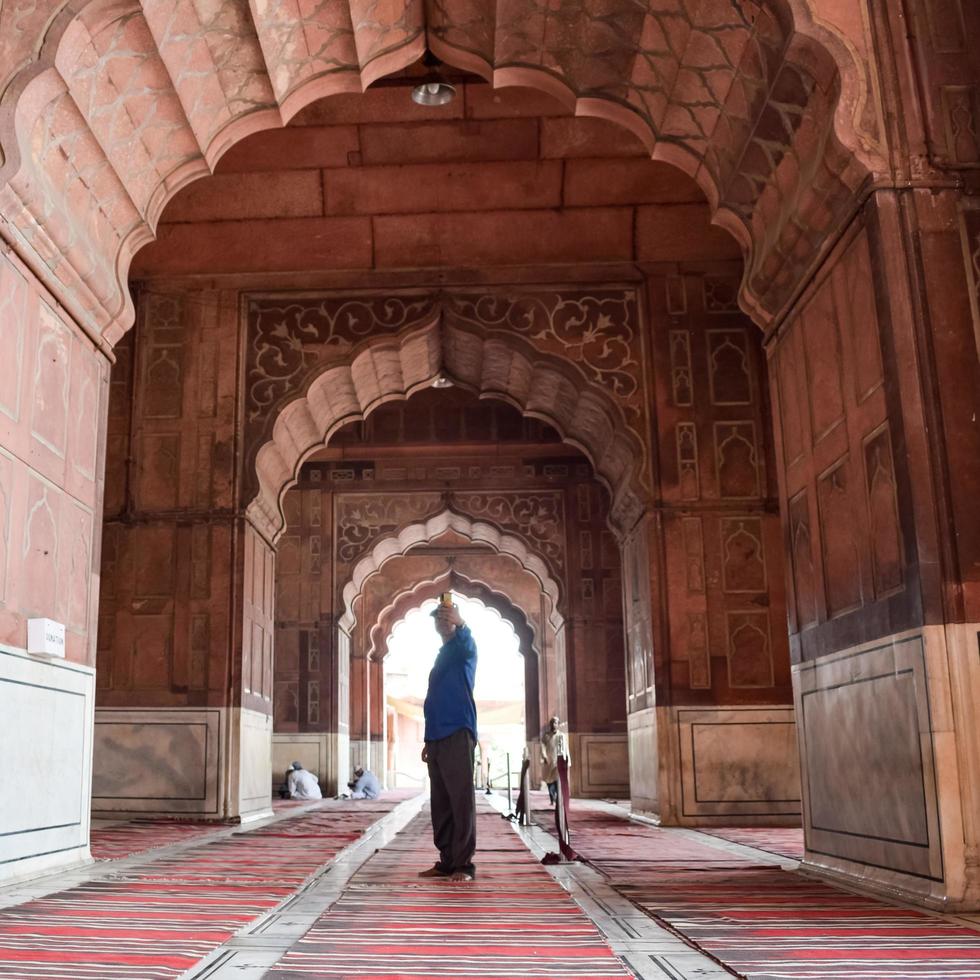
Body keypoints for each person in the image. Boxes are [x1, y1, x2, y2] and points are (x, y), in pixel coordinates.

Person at [419, 596, 478, 883]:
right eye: (439, 620)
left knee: (460, 800)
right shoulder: (441, 656)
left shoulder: (463, 652)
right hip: (438, 737)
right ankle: (446, 860)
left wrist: (462, 623)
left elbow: (469, 645)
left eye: (446, 618)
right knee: (440, 802)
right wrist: (429, 740)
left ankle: (464, 865)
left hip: (457, 733)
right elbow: (434, 702)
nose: (443, 624)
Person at [540, 716, 563, 805]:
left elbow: (563, 748)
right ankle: (552, 797)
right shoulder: (546, 736)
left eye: (556, 723)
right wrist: (544, 757)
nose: (554, 724)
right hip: (548, 761)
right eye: (552, 723)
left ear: (558, 725)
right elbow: (542, 746)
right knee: (549, 780)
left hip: (557, 761)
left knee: (557, 780)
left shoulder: (561, 736)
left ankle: (556, 797)